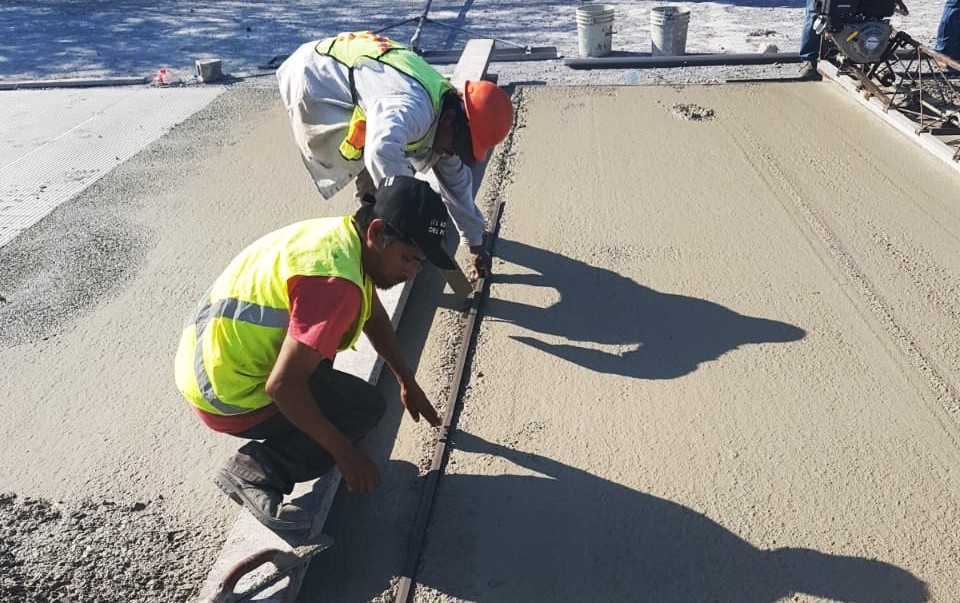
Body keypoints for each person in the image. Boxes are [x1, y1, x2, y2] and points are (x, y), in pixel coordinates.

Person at [174, 175, 449, 531]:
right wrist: (345, 454)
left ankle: (290, 435)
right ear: (377, 232)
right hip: (228, 394)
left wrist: (406, 378)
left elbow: (373, 313)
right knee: (363, 409)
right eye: (408, 258)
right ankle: (257, 470)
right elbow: (283, 387)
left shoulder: (341, 240)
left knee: (327, 368)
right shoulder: (335, 285)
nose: (411, 274)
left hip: (207, 358)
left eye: (419, 264)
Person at [276, 30, 515, 279]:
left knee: (393, 164)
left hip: (356, 70)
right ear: (451, 120)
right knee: (373, 165)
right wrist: (409, 219)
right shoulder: (413, 109)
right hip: (315, 78)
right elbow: (380, 151)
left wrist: (475, 243)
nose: (451, 153)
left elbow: (457, 185)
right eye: (455, 147)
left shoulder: (446, 112)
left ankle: (385, 224)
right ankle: (374, 243)